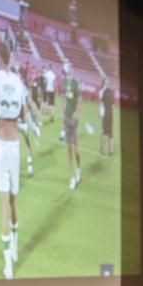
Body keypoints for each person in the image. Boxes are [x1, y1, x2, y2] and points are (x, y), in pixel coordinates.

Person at [0, 42, 28, 279]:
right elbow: (22, 114)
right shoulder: (19, 81)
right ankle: (16, 245)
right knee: (13, 200)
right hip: (16, 145)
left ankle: (7, 264)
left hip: (2, 143)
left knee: (3, 202)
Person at [61, 61, 82, 190]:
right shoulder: (64, 82)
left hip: (73, 119)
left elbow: (79, 101)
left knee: (76, 150)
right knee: (68, 150)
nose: (69, 67)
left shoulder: (76, 83)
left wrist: (76, 113)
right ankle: (72, 178)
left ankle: (78, 170)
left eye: (69, 65)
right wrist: (62, 113)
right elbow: (63, 98)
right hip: (66, 118)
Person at [99, 77, 114, 156]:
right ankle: (103, 148)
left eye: (108, 82)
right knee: (104, 131)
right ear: (104, 83)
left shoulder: (109, 92)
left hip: (108, 113)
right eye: (107, 82)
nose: (108, 84)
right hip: (105, 113)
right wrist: (101, 114)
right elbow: (101, 104)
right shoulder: (102, 92)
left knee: (109, 132)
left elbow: (112, 104)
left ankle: (110, 150)